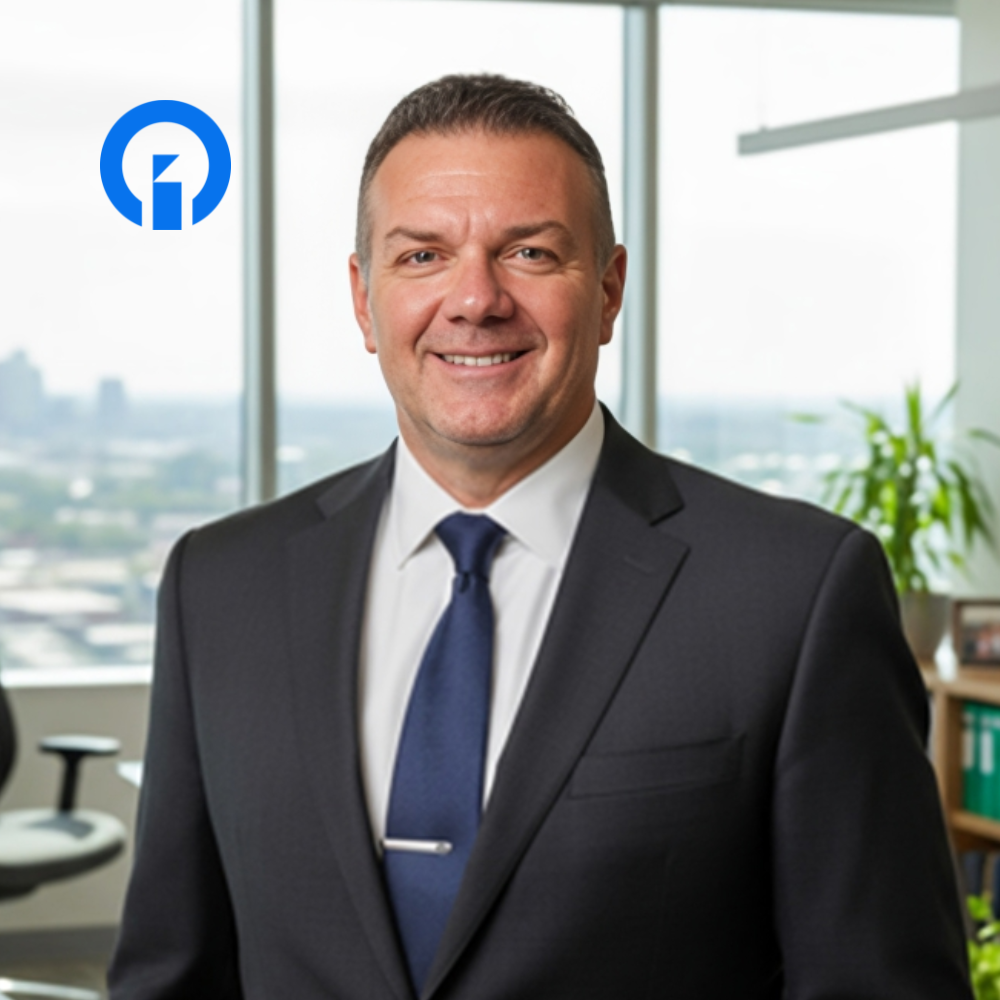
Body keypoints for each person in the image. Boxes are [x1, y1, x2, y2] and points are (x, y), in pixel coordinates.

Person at [108, 74, 972, 1000]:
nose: (475, 300)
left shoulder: (792, 594)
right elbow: (173, 974)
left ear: (607, 289)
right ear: (364, 299)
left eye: (528, 251)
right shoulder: (220, 587)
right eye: (422, 256)